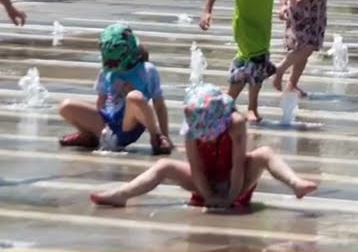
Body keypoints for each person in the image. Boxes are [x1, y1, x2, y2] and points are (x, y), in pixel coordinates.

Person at [89, 83, 318, 209]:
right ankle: (122, 194)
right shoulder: (192, 128)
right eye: (202, 133)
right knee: (164, 166)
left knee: (264, 153)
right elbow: (196, 168)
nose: (206, 138)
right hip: (205, 181)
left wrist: (230, 199)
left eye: (210, 132)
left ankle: (295, 183)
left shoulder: (235, 124)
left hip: (236, 185)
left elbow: (238, 166)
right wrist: (208, 196)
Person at [58, 23, 173, 154]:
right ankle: (89, 135)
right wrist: (103, 124)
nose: (112, 67)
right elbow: (100, 102)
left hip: (129, 124)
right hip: (108, 122)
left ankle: (156, 137)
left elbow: (159, 105)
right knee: (65, 106)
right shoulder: (106, 72)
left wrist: (165, 134)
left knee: (134, 96)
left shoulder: (147, 70)